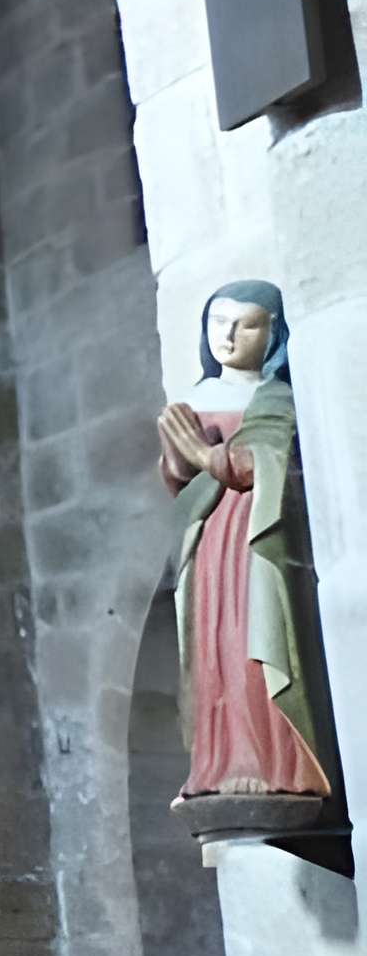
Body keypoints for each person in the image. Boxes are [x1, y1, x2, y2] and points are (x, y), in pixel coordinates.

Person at [157, 280, 334, 808]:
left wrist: (211, 456)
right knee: (215, 652)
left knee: (256, 644)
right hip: (209, 546)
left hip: (257, 543)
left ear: (273, 333)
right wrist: (176, 459)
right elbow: (179, 485)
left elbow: (268, 465)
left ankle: (278, 763)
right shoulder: (196, 397)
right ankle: (221, 761)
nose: (228, 335)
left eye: (247, 323)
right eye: (218, 322)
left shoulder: (273, 397)